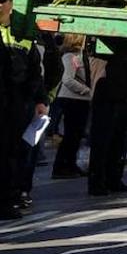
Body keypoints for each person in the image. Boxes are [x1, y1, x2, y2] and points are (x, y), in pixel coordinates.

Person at [0, 0, 49, 219]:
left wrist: (40, 99)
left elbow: (35, 70)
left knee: (12, 152)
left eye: (3, 1)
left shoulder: (24, 32)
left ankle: (9, 198)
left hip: (16, 101)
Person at [86, 40, 127, 196]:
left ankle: (113, 178)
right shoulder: (105, 50)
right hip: (108, 92)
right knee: (103, 140)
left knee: (119, 139)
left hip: (125, 92)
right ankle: (98, 180)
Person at [50, 34, 90, 179]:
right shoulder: (71, 56)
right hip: (73, 99)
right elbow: (67, 78)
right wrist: (86, 90)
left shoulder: (78, 55)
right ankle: (62, 166)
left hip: (78, 99)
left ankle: (70, 164)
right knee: (71, 134)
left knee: (76, 135)